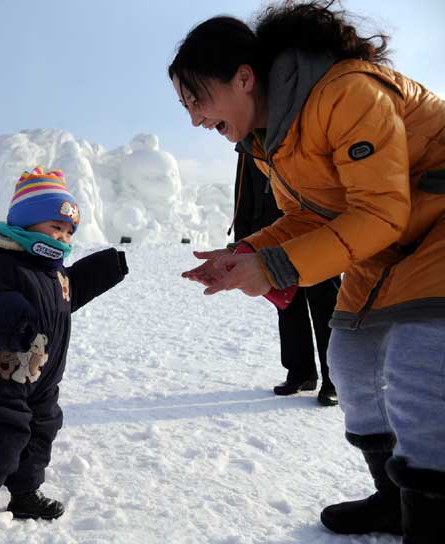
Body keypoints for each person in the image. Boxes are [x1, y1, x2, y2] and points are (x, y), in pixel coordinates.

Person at [168, 2, 445, 541]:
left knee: (419, 363)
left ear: (244, 79)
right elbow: (305, 216)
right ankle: (396, 498)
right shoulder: (273, 139)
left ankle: (433, 517)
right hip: (383, 242)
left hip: (435, 227)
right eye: (186, 107)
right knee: (350, 360)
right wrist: (246, 250)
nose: (196, 119)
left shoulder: (347, 94)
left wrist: (272, 266)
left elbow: (380, 210)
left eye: (197, 99)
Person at [0, 167, 128, 529]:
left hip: (39, 381)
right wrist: (14, 322)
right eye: (55, 226)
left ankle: (25, 493)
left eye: (69, 231)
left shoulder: (51, 271)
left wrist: (104, 269)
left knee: (41, 434)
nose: (63, 235)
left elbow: (65, 297)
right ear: (26, 222)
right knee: (1, 438)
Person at [232, 153, 340, 406]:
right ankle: (301, 372)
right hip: (271, 234)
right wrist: (243, 238)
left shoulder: (301, 127)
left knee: (327, 303)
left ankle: (334, 378)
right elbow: (243, 192)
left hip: (315, 229)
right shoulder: (248, 139)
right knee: (287, 303)